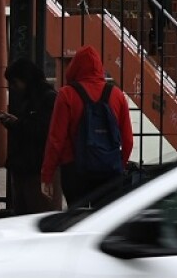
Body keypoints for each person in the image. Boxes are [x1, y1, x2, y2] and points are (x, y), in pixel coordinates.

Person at [40, 45, 135, 208]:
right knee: (104, 223)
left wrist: (46, 175)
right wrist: (119, 165)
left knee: (77, 222)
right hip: (109, 171)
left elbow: (56, 139)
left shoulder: (67, 94)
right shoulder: (117, 95)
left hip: (75, 170)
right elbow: (128, 140)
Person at [0, 58, 56, 215]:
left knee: (36, 213)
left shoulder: (47, 99)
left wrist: (16, 124)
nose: (13, 88)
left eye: (15, 83)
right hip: (25, 167)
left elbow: (42, 130)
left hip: (36, 168)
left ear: (26, 80)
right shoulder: (31, 99)